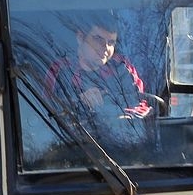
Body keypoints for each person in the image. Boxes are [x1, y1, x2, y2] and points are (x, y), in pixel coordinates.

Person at [44, 12, 151, 140]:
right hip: (74, 146)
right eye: (98, 39)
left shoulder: (122, 67)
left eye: (111, 42)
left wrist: (119, 115)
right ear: (80, 37)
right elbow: (47, 114)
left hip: (123, 143)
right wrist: (80, 103)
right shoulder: (60, 70)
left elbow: (141, 105)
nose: (105, 47)